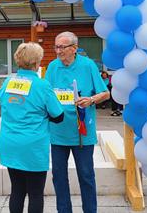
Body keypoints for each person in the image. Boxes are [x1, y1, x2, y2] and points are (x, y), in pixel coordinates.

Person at [45, 32, 110, 213]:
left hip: (82, 132)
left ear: (74, 49)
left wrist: (90, 99)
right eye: (56, 47)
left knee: (86, 176)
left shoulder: (87, 65)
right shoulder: (52, 67)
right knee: (58, 177)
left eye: (62, 47)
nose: (58, 51)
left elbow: (105, 93)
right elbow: (46, 94)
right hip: (58, 132)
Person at [0, 42, 64, 213]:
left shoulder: (7, 82)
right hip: (32, 145)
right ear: (36, 63)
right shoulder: (42, 85)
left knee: (17, 190)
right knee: (35, 193)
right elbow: (58, 116)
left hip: (10, 142)